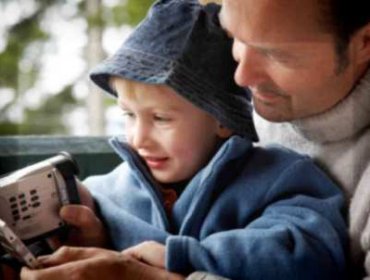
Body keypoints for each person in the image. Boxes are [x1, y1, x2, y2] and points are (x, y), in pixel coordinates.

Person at [19, 0, 348, 280]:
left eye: (161, 118)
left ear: (220, 120)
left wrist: (180, 256)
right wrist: (99, 237)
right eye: (129, 115)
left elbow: (307, 251)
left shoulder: (279, 176)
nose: (138, 138)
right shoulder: (107, 193)